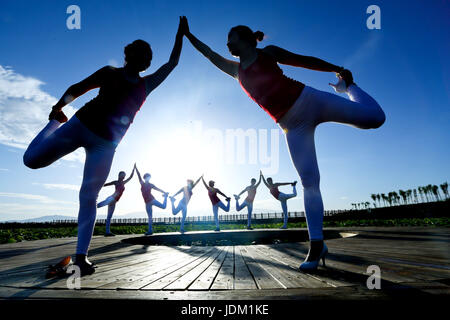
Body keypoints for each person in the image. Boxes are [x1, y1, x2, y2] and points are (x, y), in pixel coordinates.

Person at [181, 16, 386, 271]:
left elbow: (304, 61)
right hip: (292, 127)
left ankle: (349, 88)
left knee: (375, 118)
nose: (226, 44)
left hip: (309, 100)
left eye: (230, 38)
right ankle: (317, 244)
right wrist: (188, 36)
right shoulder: (237, 71)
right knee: (310, 182)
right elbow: (210, 54)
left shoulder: (268, 53)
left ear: (244, 39)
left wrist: (338, 69)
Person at [23, 17, 185, 276]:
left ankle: (81, 258)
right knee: (30, 160)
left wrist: (181, 36)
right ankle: (52, 125)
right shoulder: (109, 73)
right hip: (80, 125)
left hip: (106, 145)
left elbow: (173, 63)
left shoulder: (146, 84)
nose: (142, 59)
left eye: (146, 57)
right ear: (128, 56)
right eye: (137, 54)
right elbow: (77, 88)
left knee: (88, 196)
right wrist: (58, 108)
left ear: (147, 63)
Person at [97, 166, 135, 236]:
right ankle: (90, 205)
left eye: (124, 176)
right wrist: (97, 185)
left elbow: (130, 177)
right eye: (122, 175)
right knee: (98, 206)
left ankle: (107, 232)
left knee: (109, 217)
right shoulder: (116, 182)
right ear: (119, 175)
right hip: (111, 198)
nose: (123, 177)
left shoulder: (123, 182)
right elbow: (105, 185)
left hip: (114, 201)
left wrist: (133, 169)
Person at [135, 164, 169, 235]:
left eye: (149, 177)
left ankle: (165, 197)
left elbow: (158, 189)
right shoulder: (142, 184)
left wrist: (164, 192)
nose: (148, 178)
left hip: (152, 200)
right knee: (150, 217)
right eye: (147, 177)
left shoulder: (151, 185)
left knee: (163, 207)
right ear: (145, 178)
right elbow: (139, 175)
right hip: (147, 203)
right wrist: (136, 168)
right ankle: (150, 231)